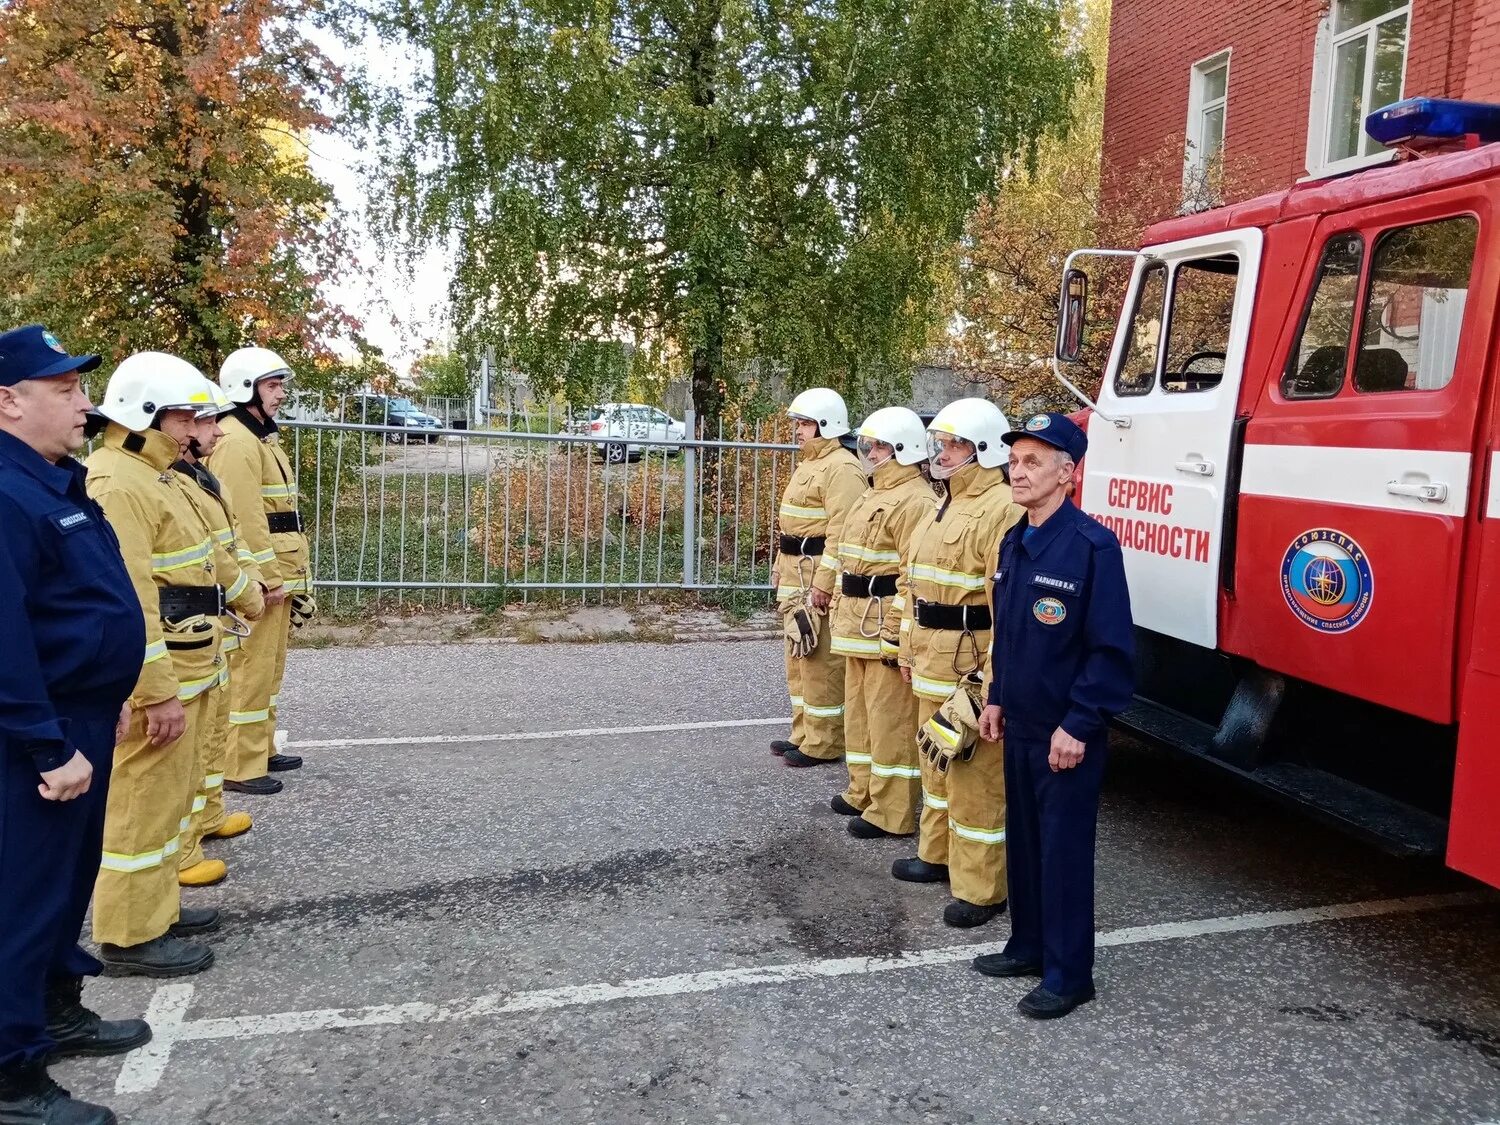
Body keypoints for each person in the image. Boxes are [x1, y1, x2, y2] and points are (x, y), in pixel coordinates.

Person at [0, 325, 151, 1125]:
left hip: (84, 715)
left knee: (63, 890)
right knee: (20, 902)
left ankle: (55, 1011)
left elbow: (84, 605)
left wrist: (111, 688)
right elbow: (6, 639)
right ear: (8, 400)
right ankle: (12, 1078)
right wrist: (48, 744)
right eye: (65, 392)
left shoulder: (58, 480)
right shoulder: (4, 490)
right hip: (39, 736)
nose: (85, 406)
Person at [972, 412, 1134, 1019]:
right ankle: (1029, 946)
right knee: (1026, 842)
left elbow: (1110, 650)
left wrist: (1081, 723)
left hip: (1065, 730)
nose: (1017, 471)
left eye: (1032, 462)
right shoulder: (1016, 541)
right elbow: (1010, 637)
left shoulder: (1091, 547)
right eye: (1015, 461)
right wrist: (995, 696)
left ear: (1068, 474)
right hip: (1020, 722)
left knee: (1063, 852)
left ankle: (1070, 976)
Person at [86, 353, 226, 977]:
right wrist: (155, 691)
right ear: (149, 415)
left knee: (169, 800)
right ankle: (129, 935)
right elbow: (132, 599)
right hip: (164, 679)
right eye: (187, 416)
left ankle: (158, 905)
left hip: (190, 663)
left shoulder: (154, 475)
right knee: (142, 801)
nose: (198, 428)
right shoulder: (119, 483)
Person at [892, 399, 1024, 929]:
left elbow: (1007, 611)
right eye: (939, 443)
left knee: (976, 778)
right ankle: (937, 854)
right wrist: (905, 649)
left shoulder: (1002, 509)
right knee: (936, 760)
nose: (941, 454)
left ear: (984, 448)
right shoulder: (941, 503)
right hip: (930, 658)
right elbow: (915, 584)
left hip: (969, 667)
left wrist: (990, 683)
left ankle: (982, 888)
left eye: (953, 445)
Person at [825, 407, 935, 837]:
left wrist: (895, 633)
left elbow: (912, 577)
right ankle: (863, 791)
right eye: (870, 444)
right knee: (860, 716)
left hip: (880, 622)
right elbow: (849, 556)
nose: (870, 452)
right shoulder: (873, 492)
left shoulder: (917, 500)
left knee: (890, 722)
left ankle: (892, 812)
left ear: (903, 449)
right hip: (855, 622)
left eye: (880, 446)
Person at [173, 384, 265, 889]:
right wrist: (248, 591)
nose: (215, 429)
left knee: (210, 731)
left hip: (213, 621)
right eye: (206, 421)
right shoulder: (168, 482)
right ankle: (181, 849)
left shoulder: (196, 477)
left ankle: (207, 816)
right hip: (191, 625)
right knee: (181, 751)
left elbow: (228, 541)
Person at [208, 347, 311, 795]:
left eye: (280, 385)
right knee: (250, 669)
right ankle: (240, 764)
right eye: (273, 386)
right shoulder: (237, 441)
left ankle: (261, 747)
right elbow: (245, 521)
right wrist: (263, 578)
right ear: (245, 390)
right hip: (265, 578)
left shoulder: (259, 438)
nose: (281, 394)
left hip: (279, 572)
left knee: (268, 668)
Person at [771, 388, 866, 767]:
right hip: (796, 574)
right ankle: (805, 732)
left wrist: (825, 582)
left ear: (826, 426)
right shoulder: (810, 463)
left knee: (820, 661)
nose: (798, 430)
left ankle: (825, 742)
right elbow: (792, 524)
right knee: (798, 659)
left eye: (805, 423)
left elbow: (842, 530)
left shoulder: (842, 468)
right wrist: (780, 563)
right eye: (798, 422)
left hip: (814, 578)